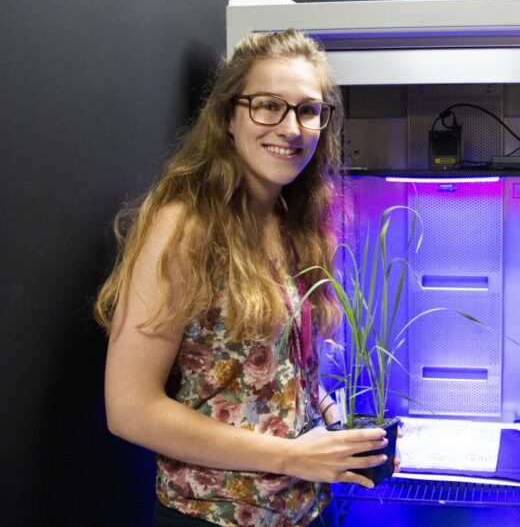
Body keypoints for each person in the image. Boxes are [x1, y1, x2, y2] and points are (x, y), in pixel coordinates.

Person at [95, 29, 395, 527]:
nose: (291, 128)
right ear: (228, 117)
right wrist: (292, 457)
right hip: (214, 516)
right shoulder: (184, 228)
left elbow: (270, 374)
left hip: (305, 510)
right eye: (268, 106)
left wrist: (338, 429)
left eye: (308, 110)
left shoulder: (293, 221)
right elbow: (129, 409)